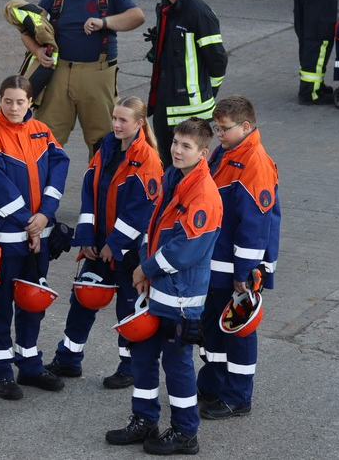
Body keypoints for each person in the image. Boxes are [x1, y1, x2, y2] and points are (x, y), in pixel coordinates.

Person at [105, 118, 221, 456]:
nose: (177, 150)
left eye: (186, 146)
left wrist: (144, 268)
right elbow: (151, 228)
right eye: (175, 143)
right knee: (142, 356)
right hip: (156, 290)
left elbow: (184, 250)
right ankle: (144, 420)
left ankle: (186, 433)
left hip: (180, 299)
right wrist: (144, 265)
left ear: (203, 153)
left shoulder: (204, 194)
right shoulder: (172, 177)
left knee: (177, 364)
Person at [45, 96, 163, 388]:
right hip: (98, 244)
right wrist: (86, 238)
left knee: (128, 307)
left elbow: (140, 211)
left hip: (129, 251)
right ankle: (68, 359)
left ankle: (130, 366)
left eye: (123, 120)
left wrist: (115, 243)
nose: (116, 124)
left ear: (139, 123)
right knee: (83, 299)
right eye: (114, 118)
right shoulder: (106, 147)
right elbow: (89, 194)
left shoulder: (147, 159)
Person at [0, 76, 70, 400]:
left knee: (33, 303)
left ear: (30, 102)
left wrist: (47, 212)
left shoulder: (42, 132)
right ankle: (0, 373)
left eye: (20, 102)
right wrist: (33, 222)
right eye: (8, 101)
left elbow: (59, 165)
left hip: (37, 234)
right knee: (2, 307)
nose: (14, 108)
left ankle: (29, 363)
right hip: (7, 241)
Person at [197, 96, 279, 420]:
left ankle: (238, 397)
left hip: (237, 269)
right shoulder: (230, 151)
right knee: (215, 329)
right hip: (219, 263)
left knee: (238, 331)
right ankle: (215, 385)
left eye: (224, 129)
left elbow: (255, 226)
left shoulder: (254, 163)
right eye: (215, 128)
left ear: (245, 126)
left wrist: (245, 274)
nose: (218, 134)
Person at [25, 0, 146, 156]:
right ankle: (42, 185)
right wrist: (37, 51)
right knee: (45, 137)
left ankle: (100, 184)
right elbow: (27, 29)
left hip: (98, 75)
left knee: (104, 140)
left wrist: (104, 22)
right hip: (60, 72)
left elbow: (138, 16)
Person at [145, 0, 228, 165]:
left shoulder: (198, 13)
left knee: (189, 167)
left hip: (191, 108)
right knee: (166, 164)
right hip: (166, 102)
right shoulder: (166, 8)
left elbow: (218, 59)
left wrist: (210, 89)